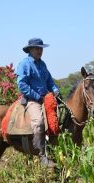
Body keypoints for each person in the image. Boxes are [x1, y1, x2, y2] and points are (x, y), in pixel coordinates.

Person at [16, 38, 61, 168]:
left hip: (46, 98)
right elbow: (22, 85)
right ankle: (42, 155)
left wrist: (56, 91)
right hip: (32, 99)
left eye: (41, 48)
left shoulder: (43, 64)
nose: (39, 51)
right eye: (36, 48)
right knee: (39, 122)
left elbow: (50, 82)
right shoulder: (24, 64)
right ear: (30, 50)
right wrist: (37, 97)